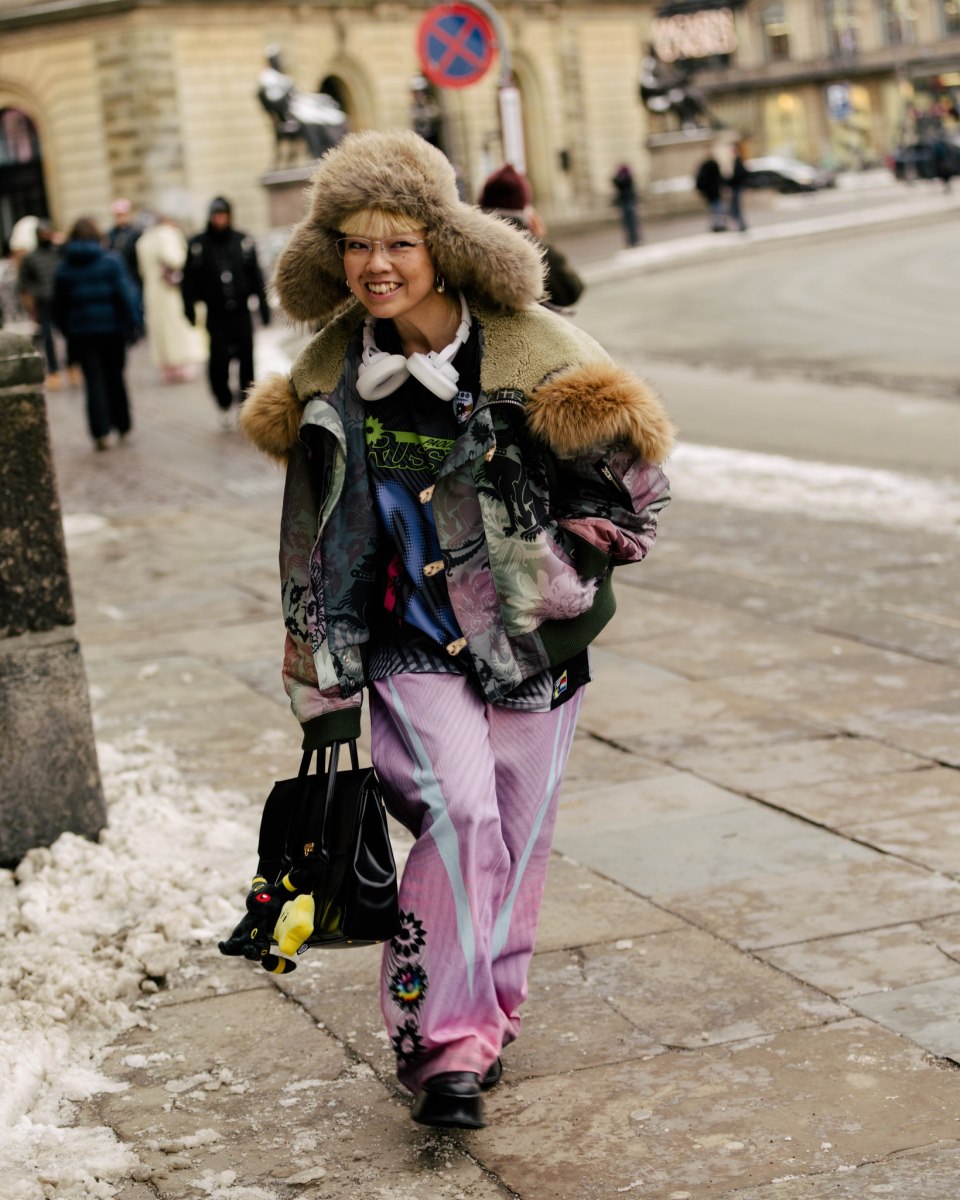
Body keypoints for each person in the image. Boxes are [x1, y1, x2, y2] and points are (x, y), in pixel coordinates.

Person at [230, 130, 674, 1130]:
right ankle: (438, 1045)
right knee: (459, 811)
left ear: (443, 242)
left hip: (533, 647)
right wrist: (323, 684)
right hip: (405, 644)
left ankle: (487, 1023)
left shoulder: (541, 357)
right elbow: (313, 547)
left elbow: (640, 498)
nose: (375, 265)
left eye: (397, 242)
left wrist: (551, 567)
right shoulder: (327, 377)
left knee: (514, 841)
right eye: (353, 244)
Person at [52, 217, 141, 450]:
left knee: (93, 381)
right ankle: (122, 424)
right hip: (112, 331)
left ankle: (100, 431)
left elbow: (58, 306)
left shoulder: (64, 267)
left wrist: (67, 329)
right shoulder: (111, 261)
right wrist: (134, 323)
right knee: (115, 377)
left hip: (82, 333)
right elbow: (125, 295)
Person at [181, 196, 270, 428]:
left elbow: (257, 276)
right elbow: (188, 280)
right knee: (218, 361)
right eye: (216, 215)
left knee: (246, 358)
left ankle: (245, 403)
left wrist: (263, 305)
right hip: (216, 313)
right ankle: (223, 401)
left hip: (240, 311)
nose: (220, 219)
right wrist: (188, 308)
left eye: (223, 215)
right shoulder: (198, 245)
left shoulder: (243, 241)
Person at [478, 163, 584, 310]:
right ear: (524, 207)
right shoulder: (532, 247)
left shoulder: (470, 243)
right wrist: (540, 240)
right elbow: (571, 289)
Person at [135, 213, 205, 382]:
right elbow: (176, 259)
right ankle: (180, 364)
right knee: (176, 327)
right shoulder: (166, 235)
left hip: (152, 290)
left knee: (160, 329)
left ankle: (166, 366)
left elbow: (142, 269)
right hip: (169, 291)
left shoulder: (143, 240)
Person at [18, 220, 64, 386]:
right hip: (44, 302)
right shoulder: (31, 257)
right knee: (48, 337)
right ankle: (53, 370)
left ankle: (73, 365)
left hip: (61, 299)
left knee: (68, 334)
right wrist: (37, 293)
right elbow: (24, 280)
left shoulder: (58, 252)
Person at [106, 198, 143, 293]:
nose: (120, 218)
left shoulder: (136, 233)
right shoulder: (110, 234)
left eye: (123, 215)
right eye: (118, 215)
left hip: (133, 275)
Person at [611, 163, 642, 247]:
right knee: (628, 224)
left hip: (628, 203)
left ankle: (635, 240)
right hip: (625, 203)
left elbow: (619, 182)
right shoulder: (624, 179)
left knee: (631, 223)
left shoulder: (627, 179)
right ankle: (632, 241)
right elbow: (615, 181)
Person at [694, 153, 727, 232]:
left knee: (713, 209)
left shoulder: (704, 167)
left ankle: (715, 225)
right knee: (718, 209)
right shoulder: (714, 166)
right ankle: (720, 225)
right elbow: (720, 178)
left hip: (709, 193)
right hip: (715, 192)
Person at [726, 143, 750, 232]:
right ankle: (741, 225)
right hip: (736, 187)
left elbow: (740, 175)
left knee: (736, 208)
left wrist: (730, 180)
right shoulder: (736, 161)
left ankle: (742, 225)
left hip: (737, 187)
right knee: (735, 208)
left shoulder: (738, 161)